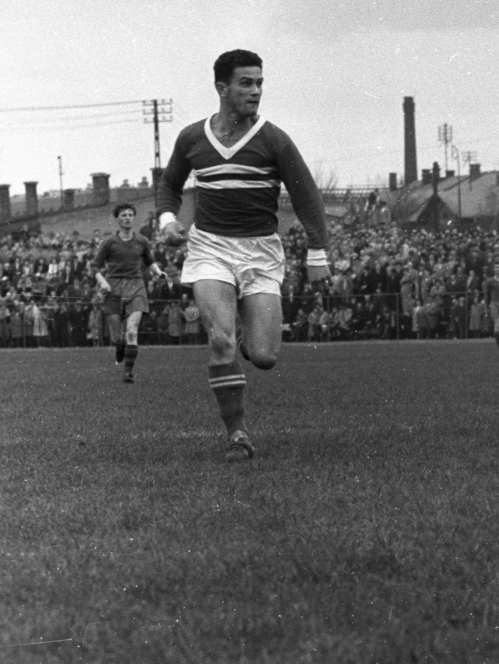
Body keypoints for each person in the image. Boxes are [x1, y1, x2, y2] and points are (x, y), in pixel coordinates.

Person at [157, 49, 331, 461]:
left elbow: (307, 196)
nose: (255, 91)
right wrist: (168, 221)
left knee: (266, 357)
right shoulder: (192, 138)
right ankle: (237, 434)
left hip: (260, 253)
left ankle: (250, 342)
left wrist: (318, 251)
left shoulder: (273, 139)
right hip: (210, 248)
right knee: (220, 340)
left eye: (259, 83)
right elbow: (169, 185)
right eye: (246, 83)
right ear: (222, 88)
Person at [91, 203, 166, 383]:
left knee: (132, 330)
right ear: (117, 219)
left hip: (136, 286)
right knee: (117, 337)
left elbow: (149, 261)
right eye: (123, 215)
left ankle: (128, 372)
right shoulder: (109, 242)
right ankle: (119, 346)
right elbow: (94, 266)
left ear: (134, 218)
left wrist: (158, 272)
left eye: (130, 215)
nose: (127, 218)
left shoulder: (141, 241)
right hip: (114, 287)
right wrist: (102, 281)